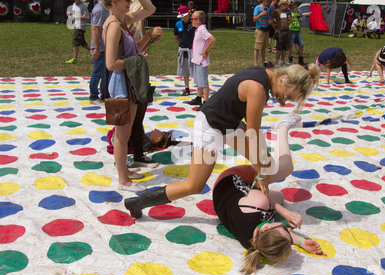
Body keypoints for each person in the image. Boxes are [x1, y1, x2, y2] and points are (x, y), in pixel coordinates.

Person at [124, 63, 321, 219]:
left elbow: (252, 134)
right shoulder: (258, 88)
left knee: (267, 165)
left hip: (229, 123)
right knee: (194, 185)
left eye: (288, 100)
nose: (283, 101)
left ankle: (254, 198)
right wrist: (261, 171)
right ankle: (137, 203)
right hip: (210, 125)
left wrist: (262, 168)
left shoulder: (267, 73)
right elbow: (253, 134)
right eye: (286, 96)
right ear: (284, 78)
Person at [213, 119, 326, 275]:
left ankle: (280, 128)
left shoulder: (259, 204)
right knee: (280, 196)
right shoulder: (256, 244)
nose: (284, 225)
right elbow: (278, 237)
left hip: (230, 180)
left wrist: (285, 213)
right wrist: (301, 241)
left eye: (280, 226)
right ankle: (279, 128)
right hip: (230, 201)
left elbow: (259, 188)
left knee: (282, 166)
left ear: (266, 228)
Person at [103, 0, 156, 192]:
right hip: (121, 85)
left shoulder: (122, 19)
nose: (131, 2)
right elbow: (110, 63)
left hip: (127, 83)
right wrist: (138, 60)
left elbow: (150, 9)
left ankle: (124, 170)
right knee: (122, 136)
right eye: (127, 0)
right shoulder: (115, 25)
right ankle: (123, 180)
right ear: (115, 2)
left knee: (125, 133)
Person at [127, 0, 162, 169]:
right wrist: (149, 35)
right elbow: (133, 49)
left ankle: (138, 153)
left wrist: (151, 39)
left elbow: (138, 48)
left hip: (138, 72)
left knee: (138, 118)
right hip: (132, 75)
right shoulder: (129, 23)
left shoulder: (136, 23)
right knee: (134, 118)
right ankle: (136, 154)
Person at [187, 11, 216, 106]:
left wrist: (206, 50)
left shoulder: (202, 30)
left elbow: (212, 39)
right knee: (198, 80)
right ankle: (198, 97)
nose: (191, 21)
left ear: (198, 21)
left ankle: (206, 101)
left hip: (201, 61)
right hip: (196, 60)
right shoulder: (198, 29)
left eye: (193, 19)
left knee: (203, 82)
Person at [89, 0, 111, 106]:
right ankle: (93, 96)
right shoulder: (100, 10)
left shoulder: (106, 9)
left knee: (107, 73)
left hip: (106, 47)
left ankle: (105, 95)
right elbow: (95, 29)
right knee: (98, 73)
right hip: (101, 47)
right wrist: (96, 48)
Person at [174, 5, 196, 96]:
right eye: (182, 16)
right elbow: (176, 36)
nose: (184, 18)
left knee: (196, 69)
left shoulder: (193, 22)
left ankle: (200, 88)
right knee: (185, 70)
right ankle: (187, 88)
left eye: (185, 16)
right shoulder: (178, 24)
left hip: (193, 50)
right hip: (183, 49)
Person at [287, 1, 310, 65]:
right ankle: (290, 59)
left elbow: (302, 17)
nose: (293, 7)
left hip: (297, 30)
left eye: (294, 6)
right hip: (291, 30)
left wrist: (301, 19)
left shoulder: (298, 11)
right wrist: (289, 20)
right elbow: (286, 21)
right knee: (290, 46)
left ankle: (300, 59)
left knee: (301, 44)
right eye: (292, 6)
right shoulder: (288, 12)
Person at [271, 0, 292, 66]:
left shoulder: (288, 11)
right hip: (280, 31)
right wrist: (274, 27)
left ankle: (283, 61)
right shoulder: (276, 11)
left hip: (286, 31)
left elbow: (291, 21)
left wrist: (289, 19)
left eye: (286, 4)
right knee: (279, 47)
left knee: (285, 48)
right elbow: (272, 18)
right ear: (280, 5)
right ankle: (277, 61)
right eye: (284, 4)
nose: (285, 6)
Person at [253, 0, 271, 66]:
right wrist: (261, 14)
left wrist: (270, 21)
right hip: (260, 29)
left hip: (266, 29)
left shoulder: (268, 9)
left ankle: (263, 62)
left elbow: (267, 19)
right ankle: (255, 62)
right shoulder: (257, 8)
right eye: (267, 1)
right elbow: (254, 19)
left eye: (269, 1)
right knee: (257, 47)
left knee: (263, 47)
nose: (268, 2)